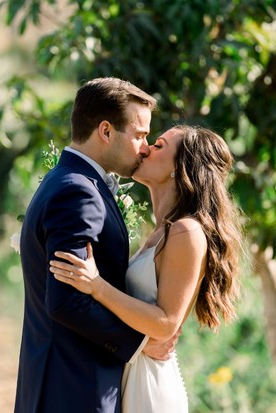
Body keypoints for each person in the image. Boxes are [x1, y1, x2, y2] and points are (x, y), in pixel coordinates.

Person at [49, 125, 245, 412]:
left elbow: (166, 323)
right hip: (132, 367)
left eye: (160, 145)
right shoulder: (161, 231)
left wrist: (97, 286)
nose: (146, 148)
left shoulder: (186, 232)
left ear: (181, 167)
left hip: (150, 383)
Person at [14, 77, 179, 413]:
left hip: (61, 380)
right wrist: (140, 343)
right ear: (106, 131)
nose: (144, 147)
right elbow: (66, 301)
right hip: (74, 387)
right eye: (139, 135)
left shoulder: (66, 179)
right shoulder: (79, 191)